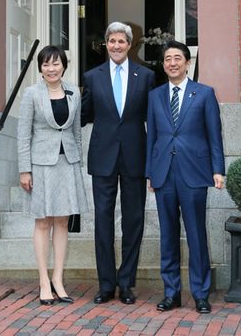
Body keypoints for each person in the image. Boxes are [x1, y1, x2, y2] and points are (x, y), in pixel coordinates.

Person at [146, 40, 225, 314]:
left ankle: (201, 293)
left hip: (194, 174)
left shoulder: (203, 94)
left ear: (187, 62)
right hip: (164, 174)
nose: (172, 63)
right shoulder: (155, 96)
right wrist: (150, 173)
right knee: (168, 236)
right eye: (167, 58)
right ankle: (172, 293)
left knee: (196, 236)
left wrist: (218, 169)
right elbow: (152, 138)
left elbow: (215, 135)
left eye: (177, 58)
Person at [81, 21, 156, 305]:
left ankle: (126, 283)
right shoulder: (92, 76)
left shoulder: (146, 76)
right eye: (111, 41)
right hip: (102, 158)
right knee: (103, 222)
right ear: (106, 44)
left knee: (133, 221)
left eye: (121, 41)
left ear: (129, 44)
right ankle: (105, 285)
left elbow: (154, 118)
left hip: (135, 157)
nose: (116, 46)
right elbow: (83, 114)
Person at [18, 45, 88, 306]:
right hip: (41, 165)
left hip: (67, 163)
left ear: (63, 66)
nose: (51, 68)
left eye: (56, 63)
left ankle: (58, 279)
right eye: (46, 64)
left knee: (61, 222)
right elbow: (24, 134)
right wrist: (24, 169)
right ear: (40, 67)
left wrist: (78, 162)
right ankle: (44, 281)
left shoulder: (73, 92)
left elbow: (76, 132)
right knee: (43, 223)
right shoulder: (31, 94)